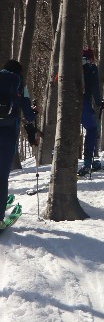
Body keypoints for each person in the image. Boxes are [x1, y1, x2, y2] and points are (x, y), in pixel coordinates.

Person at [0, 60, 38, 223]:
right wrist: (34, 112)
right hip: (8, 131)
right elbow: (29, 115)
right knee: (2, 175)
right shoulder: (20, 83)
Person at [80, 47, 104, 175]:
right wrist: (99, 102)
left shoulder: (70, 67)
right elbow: (95, 87)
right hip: (83, 103)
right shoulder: (91, 68)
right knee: (92, 129)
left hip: (66, 106)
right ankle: (87, 163)